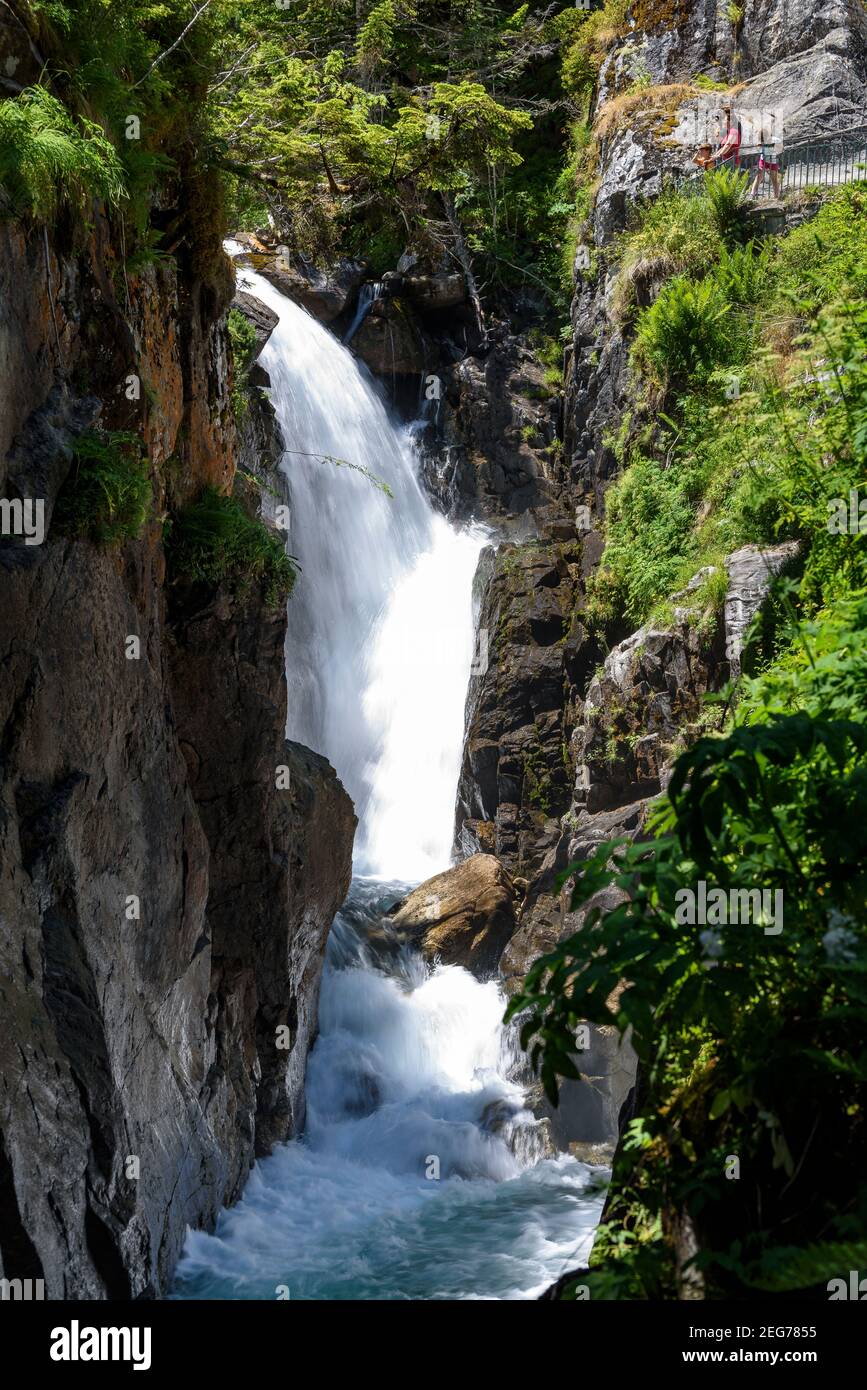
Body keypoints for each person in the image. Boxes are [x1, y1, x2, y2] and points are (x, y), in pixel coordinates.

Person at [748, 129, 782, 199]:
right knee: (759, 177)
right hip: (763, 160)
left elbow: (780, 148)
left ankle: (776, 196)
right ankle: (752, 194)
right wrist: (759, 145)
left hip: (772, 161)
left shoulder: (775, 140)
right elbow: (758, 148)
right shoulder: (761, 141)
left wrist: (771, 146)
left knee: (774, 179)